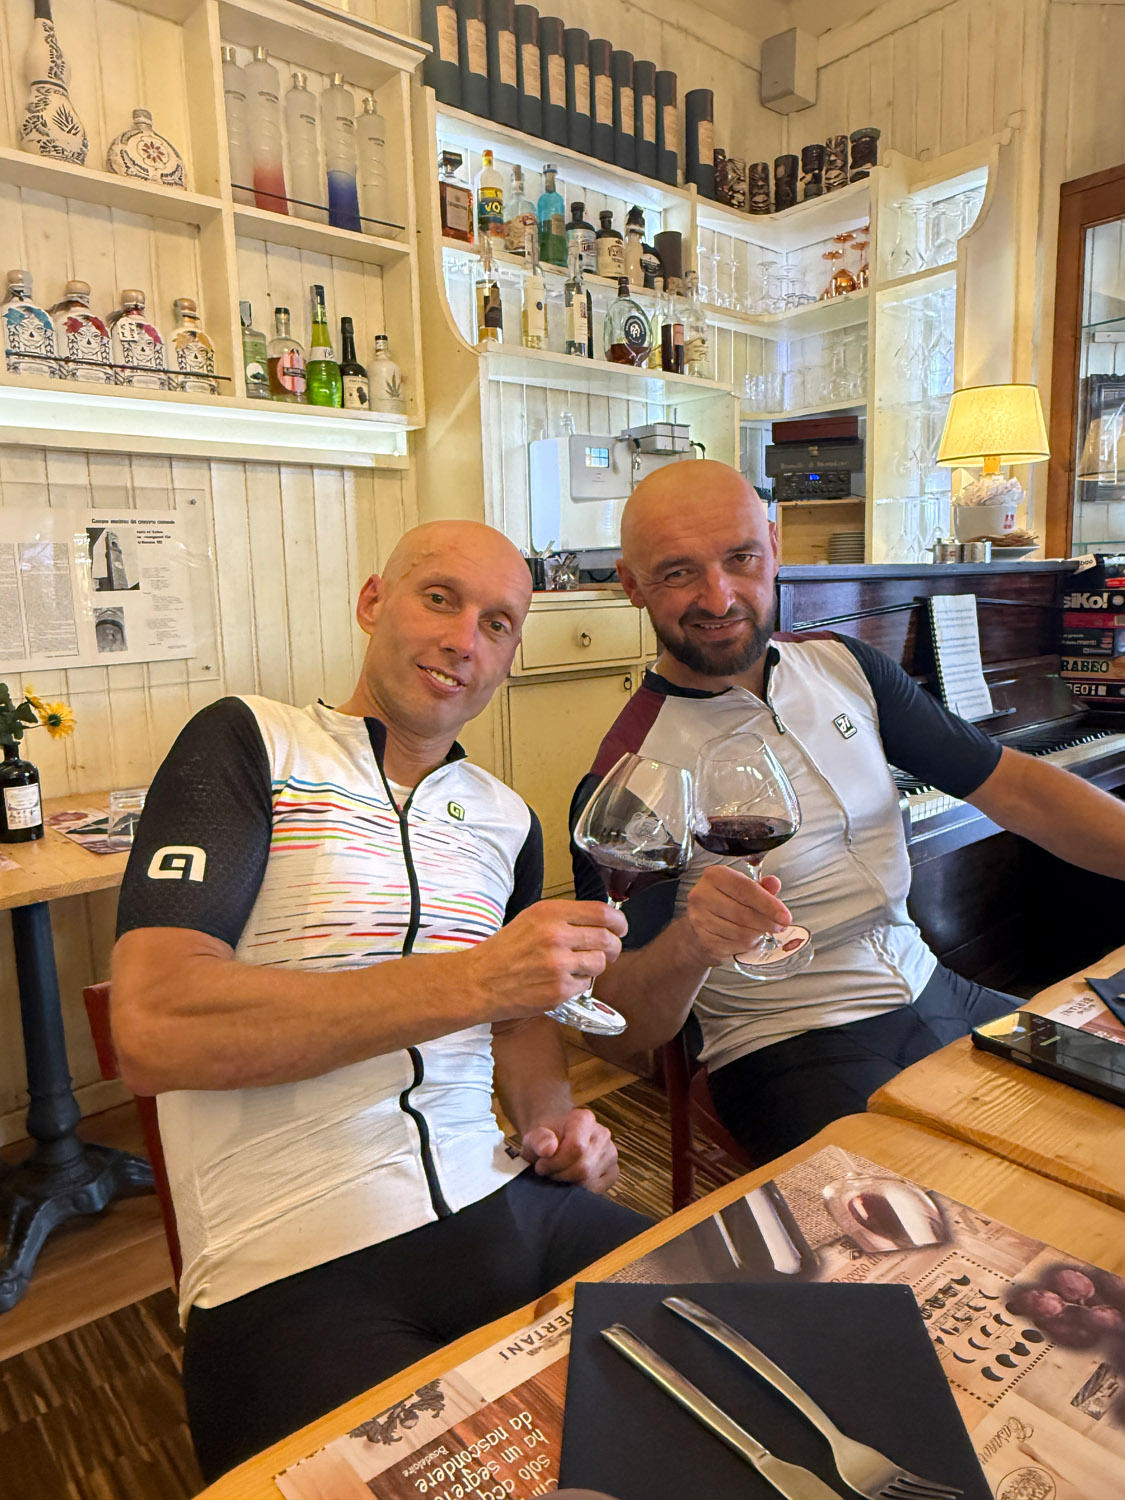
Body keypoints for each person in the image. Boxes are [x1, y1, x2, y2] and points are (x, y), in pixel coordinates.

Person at [111, 520, 643, 1482]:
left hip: (504, 1200)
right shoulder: (249, 741)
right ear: (372, 602)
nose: (463, 641)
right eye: (439, 598)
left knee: (760, 1354)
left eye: (497, 624)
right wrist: (475, 978)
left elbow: (519, 1021)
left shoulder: (505, 817)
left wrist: (556, 1120)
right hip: (291, 1257)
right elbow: (155, 1025)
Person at [572, 461, 1125, 1162]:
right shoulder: (629, 773)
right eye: (678, 572)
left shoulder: (846, 667)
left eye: (740, 558)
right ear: (630, 585)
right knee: (942, 1210)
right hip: (786, 1043)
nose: (719, 596)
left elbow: (1017, 788)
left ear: (774, 548)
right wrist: (692, 944)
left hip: (934, 984)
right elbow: (616, 1027)